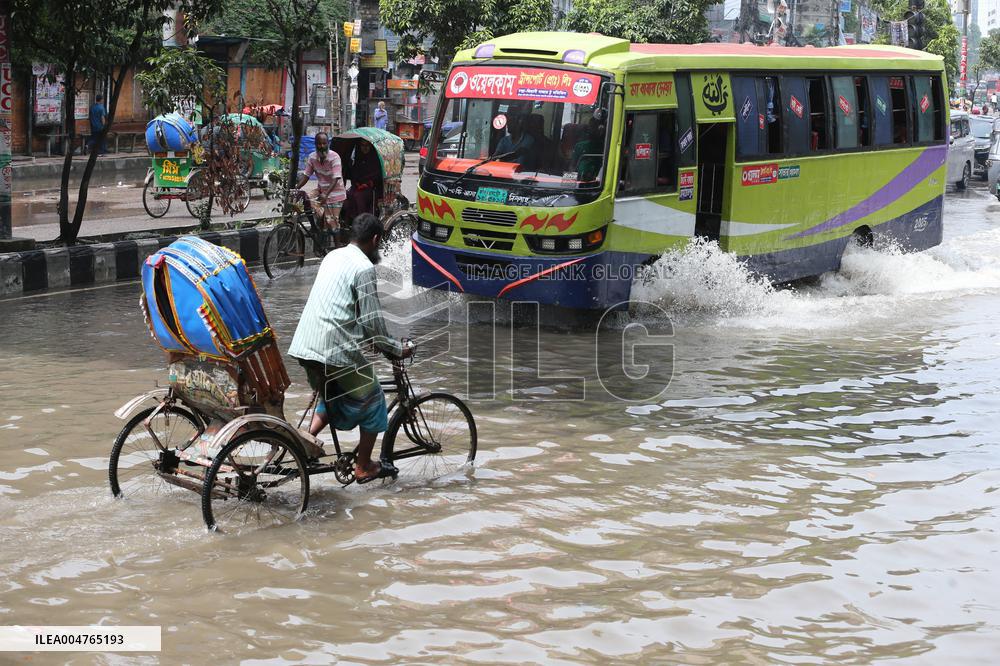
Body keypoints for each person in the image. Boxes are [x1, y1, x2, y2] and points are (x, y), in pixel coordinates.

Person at [289, 213, 414, 482]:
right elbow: (373, 321)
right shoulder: (364, 268)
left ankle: (305, 443)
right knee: (375, 399)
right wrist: (394, 348)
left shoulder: (333, 256)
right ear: (376, 240)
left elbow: (337, 306)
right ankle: (364, 465)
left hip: (304, 344)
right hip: (332, 349)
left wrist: (366, 337)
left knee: (332, 395)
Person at [296, 132, 346, 236]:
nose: (322, 146)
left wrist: (326, 194)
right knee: (306, 199)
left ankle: (337, 247)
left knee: (332, 224)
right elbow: (306, 176)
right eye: (319, 144)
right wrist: (296, 188)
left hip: (336, 193)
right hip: (321, 191)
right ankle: (314, 227)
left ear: (328, 144)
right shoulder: (312, 157)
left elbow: (336, 178)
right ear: (315, 144)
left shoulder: (335, 157)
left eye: (324, 143)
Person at [342, 140, 382, 223]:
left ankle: (361, 221)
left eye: (367, 145)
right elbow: (354, 174)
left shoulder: (375, 160)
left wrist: (366, 184)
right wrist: (357, 183)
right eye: (362, 145)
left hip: (371, 188)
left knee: (358, 196)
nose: (365, 148)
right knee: (347, 195)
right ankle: (348, 219)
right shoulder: (358, 158)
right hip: (358, 185)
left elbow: (377, 176)